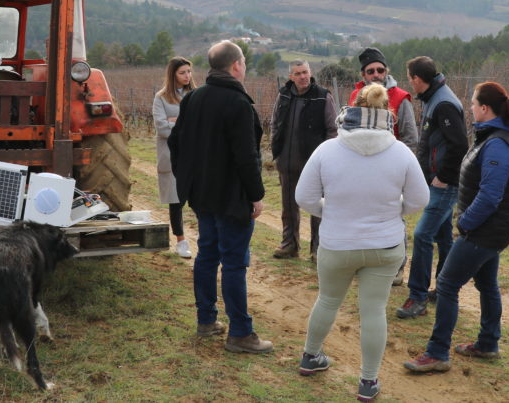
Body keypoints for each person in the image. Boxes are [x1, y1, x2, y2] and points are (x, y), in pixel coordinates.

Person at [295, 84, 429, 402]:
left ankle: (310, 357)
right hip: (384, 246)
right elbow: (419, 199)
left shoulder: (327, 150)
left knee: (328, 301)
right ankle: (368, 382)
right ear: (387, 114)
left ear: (351, 109)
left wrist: (330, 211)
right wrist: (392, 210)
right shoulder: (400, 152)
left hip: (337, 242)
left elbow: (304, 197)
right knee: (373, 311)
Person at [404, 81, 509, 373]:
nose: (470, 107)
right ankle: (487, 343)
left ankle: (437, 353)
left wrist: (465, 221)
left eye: (473, 103)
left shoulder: (497, 144)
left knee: (446, 285)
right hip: (495, 229)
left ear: (485, 108)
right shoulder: (497, 137)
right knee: (486, 284)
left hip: (485, 230)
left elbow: (490, 195)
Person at [167, 40, 272, 354]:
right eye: (243, 61)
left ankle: (206, 321)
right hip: (231, 198)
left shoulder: (194, 98)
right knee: (235, 263)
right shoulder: (238, 104)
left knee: (208, 255)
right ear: (236, 65)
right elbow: (246, 157)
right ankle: (240, 333)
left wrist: (186, 179)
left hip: (202, 195)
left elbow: (175, 143)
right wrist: (256, 196)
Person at [396, 56, 468, 319]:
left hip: (444, 184)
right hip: (437, 181)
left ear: (417, 79)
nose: (410, 83)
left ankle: (417, 297)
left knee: (423, 235)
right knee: (443, 237)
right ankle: (444, 289)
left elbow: (460, 144)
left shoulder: (443, 103)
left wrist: (444, 177)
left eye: (410, 78)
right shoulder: (434, 98)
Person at [349, 47, 418, 286]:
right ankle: (367, 261)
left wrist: (400, 167)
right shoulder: (355, 96)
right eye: (371, 71)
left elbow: (410, 138)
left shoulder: (400, 98)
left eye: (380, 69)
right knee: (363, 214)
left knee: (394, 217)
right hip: (360, 170)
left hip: (391, 171)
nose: (376, 74)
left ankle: (398, 267)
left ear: (386, 71)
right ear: (363, 74)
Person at [271, 60, 337, 261]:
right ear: (291, 76)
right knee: (288, 206)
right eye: (298, 73)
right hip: (286, 162)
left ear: (310, 72)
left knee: (317, 207)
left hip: (314, 164)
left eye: (305, 72)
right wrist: (277, 150)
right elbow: (275, 124)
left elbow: (333, 130)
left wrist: (326, 158)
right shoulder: (283, 95)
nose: (303, 76)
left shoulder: (323, 96)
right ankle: (289, 244)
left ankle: (318, 248)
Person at [153, 56, 196, 258]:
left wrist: (176, 122)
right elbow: (162, 128)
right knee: (176, 201)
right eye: (182, 72)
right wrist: (184, 124)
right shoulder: (160, 97)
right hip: (171, 156)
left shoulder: (196, 95)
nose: (187, 76)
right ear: (173, 75)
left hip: (194, 155)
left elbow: (201, 125)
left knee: (198, 199)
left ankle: (206, 239)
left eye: (189, 71)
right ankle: (181, 241)